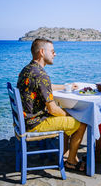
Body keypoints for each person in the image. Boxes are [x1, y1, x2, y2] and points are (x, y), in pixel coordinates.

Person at [17, 38, 86, 172]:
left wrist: (67, 87)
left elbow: (45, 87)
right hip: (35, 123)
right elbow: (53, 109)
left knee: (67, 117)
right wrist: (71, 114)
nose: (55, 54)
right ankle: (71, 161)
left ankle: (66, 152)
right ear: (42, 52)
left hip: (25, 120)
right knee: (81, 122)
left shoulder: (28, 69)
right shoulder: (41, 75)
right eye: (53, 51)